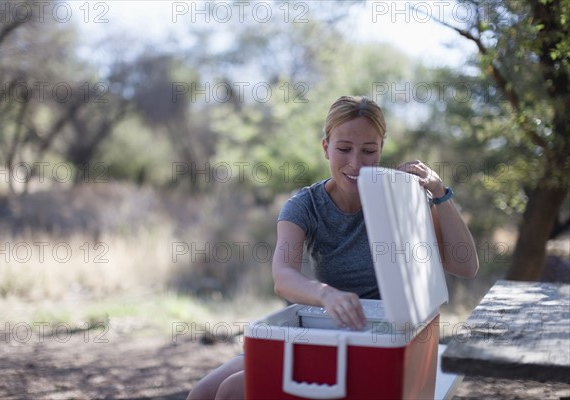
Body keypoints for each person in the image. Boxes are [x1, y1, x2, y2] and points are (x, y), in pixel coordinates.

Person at [186, 95, 479, 399]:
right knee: (203, 392)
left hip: (384, 340)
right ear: (326, 147)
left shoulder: (400, 197)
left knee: (233, 390)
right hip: (325, 328)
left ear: (381, 149)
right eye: (343, 149)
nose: (356, 162)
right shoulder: (305, 205)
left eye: (369, 150)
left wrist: (440, 192)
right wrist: (326, 294)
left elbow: (466, 266)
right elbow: (283, 276)